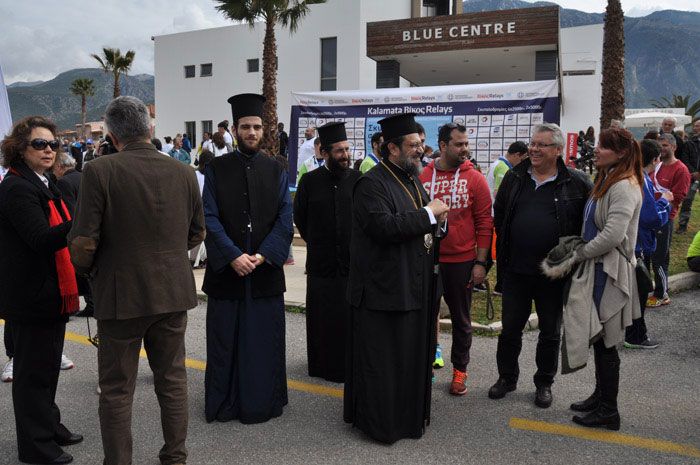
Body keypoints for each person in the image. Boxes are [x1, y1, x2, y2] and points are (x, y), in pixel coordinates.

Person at [68, 96, 205, 465]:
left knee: (116, 389)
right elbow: (197, 232)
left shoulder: (99, 171)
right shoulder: (184, 172)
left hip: (120, 295)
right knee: (172, 381)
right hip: (172, 292)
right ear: (149, 128)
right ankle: (175, 456)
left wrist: (92, 270)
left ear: (112, 136)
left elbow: (82, 242)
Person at [344, 112, 449, 444]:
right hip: (383, 290)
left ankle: (408, 418)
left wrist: (438, 220)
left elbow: (423, 220)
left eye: (421, 144)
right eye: (413, 145)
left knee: (408, 358)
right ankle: (382, 426)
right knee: (385, 363)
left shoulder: (410, 178)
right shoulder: (371, 184)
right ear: (392, 148)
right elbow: (384, 227)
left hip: (412, 284)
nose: (420, 150)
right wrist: (430, 214)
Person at [543, 127, 643, 431]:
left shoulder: (623, 186)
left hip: (608, 270)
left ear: (621, 153)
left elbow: (613, 235)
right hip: (599, 267)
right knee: (599, 338)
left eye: (603, 146)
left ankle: (609, 410)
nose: (596, 149)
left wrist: (580, 253)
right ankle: (601, 398)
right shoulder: (609, 179)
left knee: (606, 339)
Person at [202, 93, 293, 424]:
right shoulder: (216, 169)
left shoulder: (276, 169)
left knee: (263, 342)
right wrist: (232, 255)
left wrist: (265, 254)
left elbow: (285, 216)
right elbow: (208, 216)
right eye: (245, 127)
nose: (251, 132)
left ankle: (263, 402)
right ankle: (224, 404)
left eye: (256, 127)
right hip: (228, 273)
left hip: (264, 271)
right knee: (225, 342)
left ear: (263, 129)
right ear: (234, 129)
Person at [489, 123, 592, 408]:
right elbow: (500, 213)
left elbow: (588, 223)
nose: (533, 149)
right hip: (516, 270)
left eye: (541, 145)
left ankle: (544, 383)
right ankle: (506, 378)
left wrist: (572, 257)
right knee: (510, 330)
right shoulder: (515, 177)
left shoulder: (577, 182)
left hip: (554, 274)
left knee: (550, 332)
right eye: (532, 144)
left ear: (558, 150)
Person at [0, 116, 82, 465]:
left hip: (49, 292)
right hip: (31, 295)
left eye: (53, 144)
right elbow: (40, 239)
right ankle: (35, 446)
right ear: (20, 148)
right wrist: (82, 221)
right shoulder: (17, 187)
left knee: (47, 368)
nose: (49, 149)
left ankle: (49, 425)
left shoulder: (43, 181)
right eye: (39, 144)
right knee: (33, 374)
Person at [419, 123, 493, 396]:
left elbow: (485, 223)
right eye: (459, 144)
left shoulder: (475, 179)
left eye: (466, 144)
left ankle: (460, 370)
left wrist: (481, 263)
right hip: (427, 258)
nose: (465, 149)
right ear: (443, 145)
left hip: (462, 261)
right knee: (424, 316)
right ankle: (424, 366)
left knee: (462, 319)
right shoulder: (423, 175)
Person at [294, 122, 360, 383]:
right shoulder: (309, 182)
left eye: (347, 149)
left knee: (347, 317)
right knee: (322, 317)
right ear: (324, 153)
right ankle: (321, 365)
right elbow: (300, 218)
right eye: (339, 151)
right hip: (321, 265)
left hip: (350, 265)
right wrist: (319, 242)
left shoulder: (357, 180)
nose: (345, 155)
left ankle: (348, 365)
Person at [623, 139, 672, 350]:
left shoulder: (629, 175)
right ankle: (635, 335)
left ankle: (631, 333)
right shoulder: (641, 179)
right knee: (640, 291)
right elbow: (651, 217)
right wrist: (665, 201)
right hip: (638, 245)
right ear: (655, 159)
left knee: (632, 291)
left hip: (629, 242)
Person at [648, 134, 690, 307]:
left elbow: (677, 198)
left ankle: (662, 294)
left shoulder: (681, 170)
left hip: (665, 220)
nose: (662, 148)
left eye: (665, 145)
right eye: (660, 145)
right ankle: (651, 289)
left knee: (659, 258)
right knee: (649, 255)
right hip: (650, 217)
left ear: (674, 147)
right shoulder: (656, 165)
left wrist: (660, 209)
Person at [677, 119, 700, 233]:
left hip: (697, 174)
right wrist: (694, 172)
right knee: (687, 200)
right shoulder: (689, 143)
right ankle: (682, 225)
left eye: (698, 126)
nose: (696, 128)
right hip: (692, 176)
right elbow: (684, 158)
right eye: (695, 126)